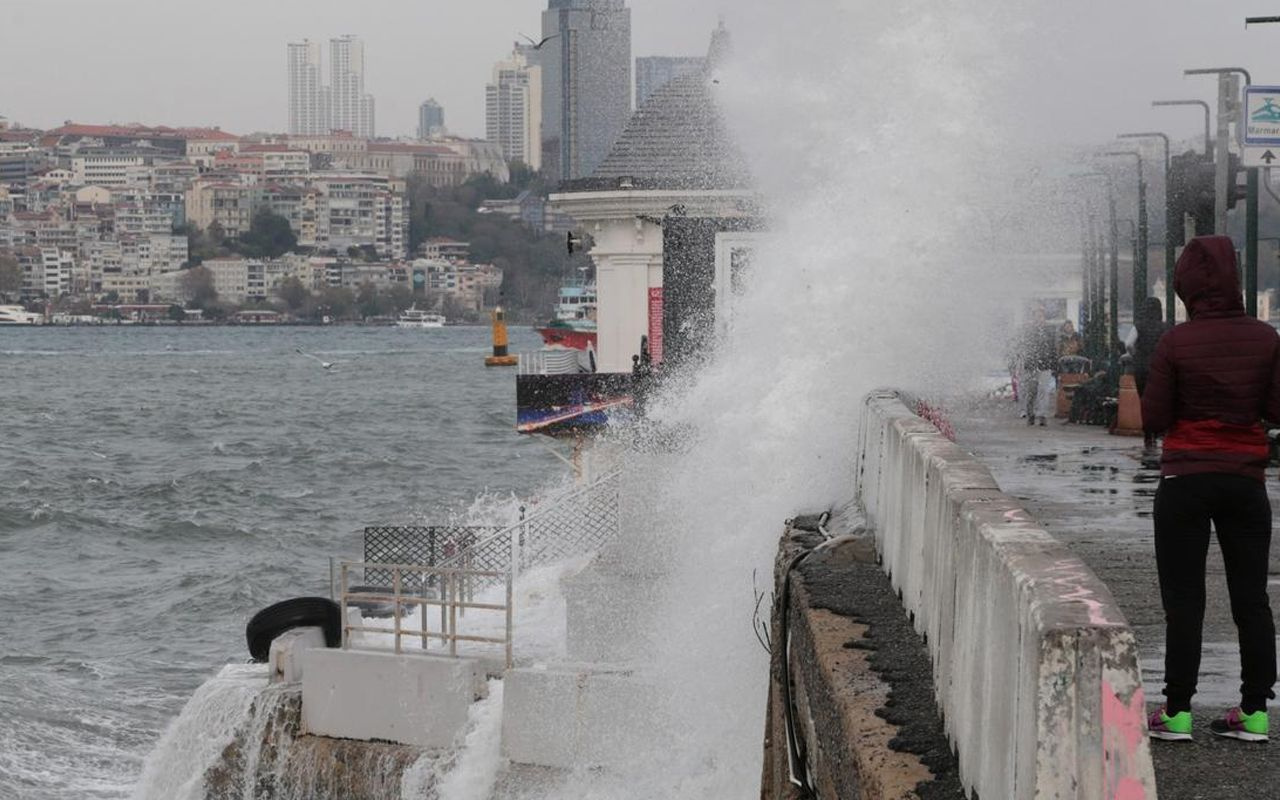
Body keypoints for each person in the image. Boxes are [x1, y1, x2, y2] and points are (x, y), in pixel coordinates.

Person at [1142, 235, 1280, 743]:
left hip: (1185, 480)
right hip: (1245, 481)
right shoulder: (1267, 338)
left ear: (1187, 285)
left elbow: (1154, 416)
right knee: (1251, 599)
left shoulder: (1174, 343)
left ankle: (1177, 712)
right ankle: (1254, 712)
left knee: (1184, 599)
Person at [1021, 307, 1058, 426]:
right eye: (1036, 316)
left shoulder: (1049, 332)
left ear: (1044, 318)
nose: (1039, 319)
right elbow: (1023, 348)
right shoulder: (1028, 332)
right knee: (1031, 391)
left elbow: (1053, 348)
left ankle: (1042, 415)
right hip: (1031, 365)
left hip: (1044, 365)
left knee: (1043, 390)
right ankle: (1030, 413)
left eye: (1041, 316)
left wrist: (1053, 363)